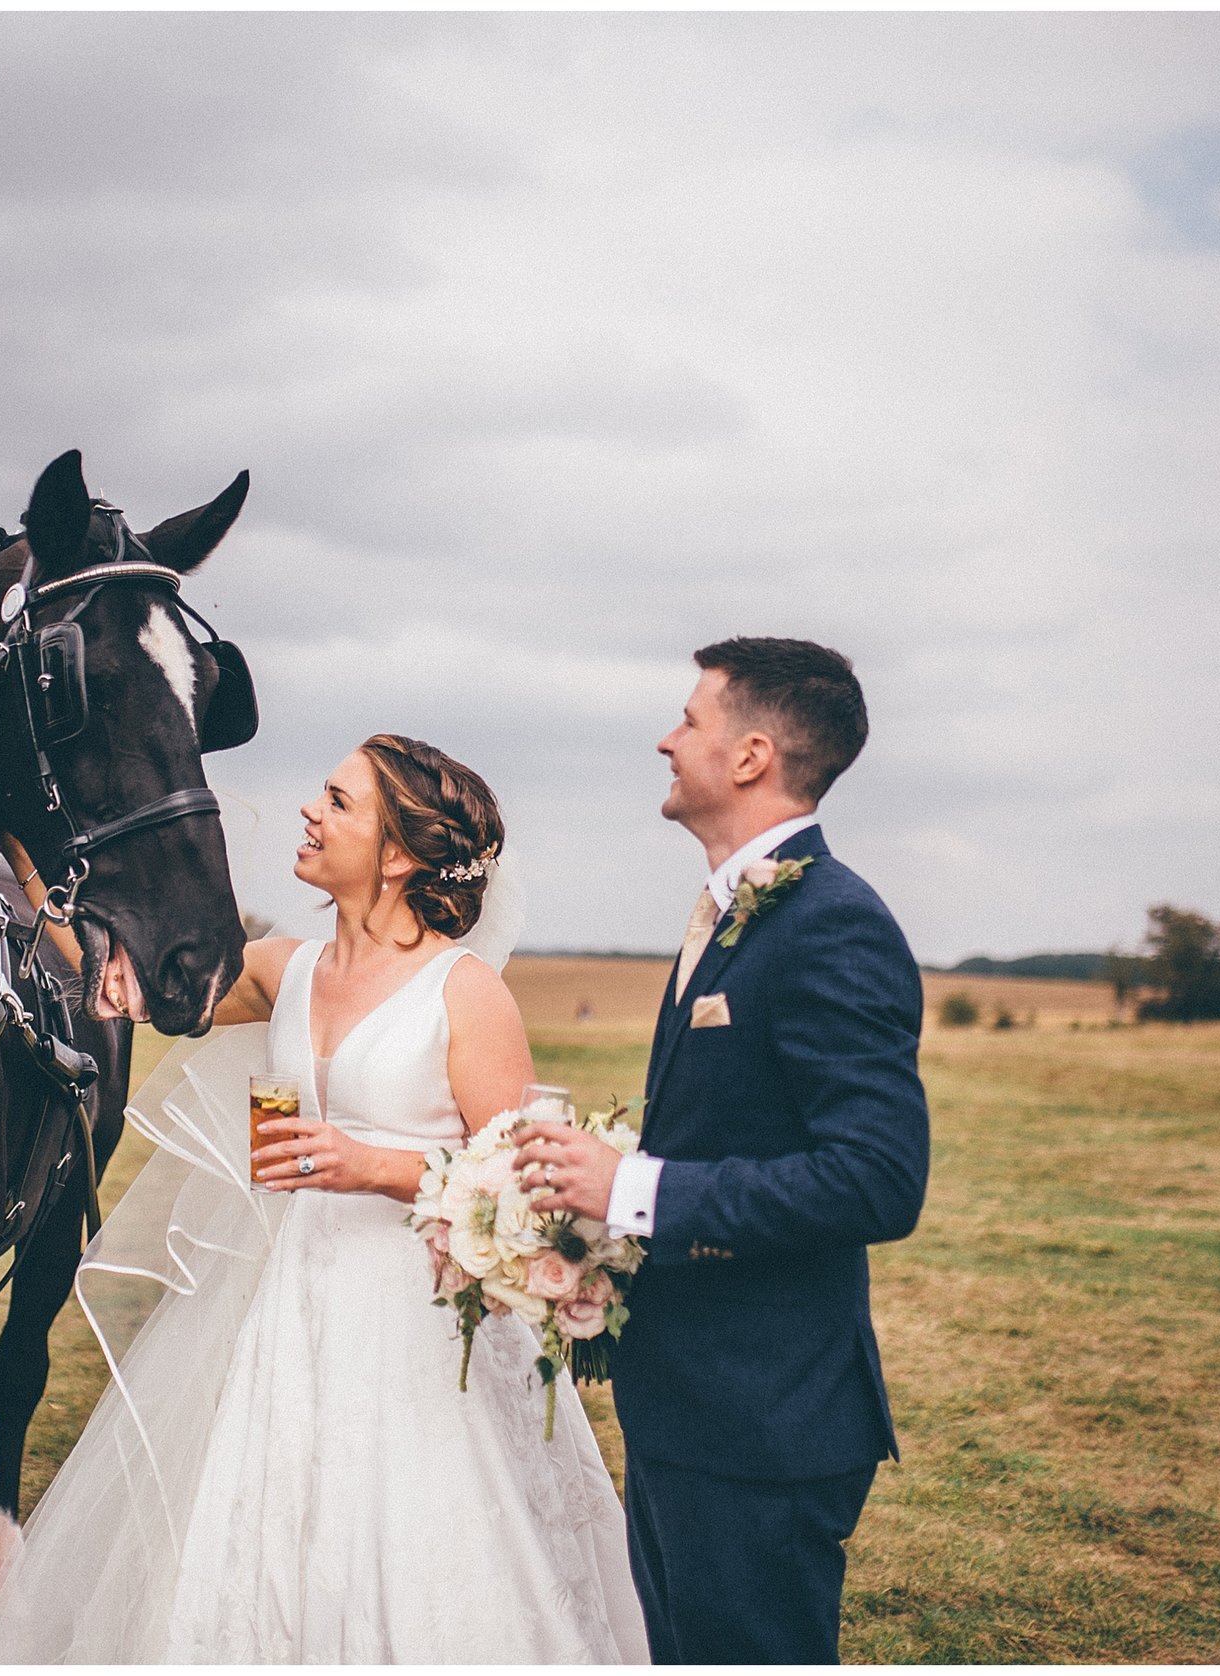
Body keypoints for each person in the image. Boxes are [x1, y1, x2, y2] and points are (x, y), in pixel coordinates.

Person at [0, 734, 647, 1664]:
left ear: (398, 854)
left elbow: (521, 1186)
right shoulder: (285, 967)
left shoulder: (467, 993)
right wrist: (28, 874)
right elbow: (128, 982)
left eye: (338, 800)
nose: (310, 812)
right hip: (283, 1303)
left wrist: (374, 1166)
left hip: (421, 1324)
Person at [513, 637, 930, 1663]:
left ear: (748, 756)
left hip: (765, 1421)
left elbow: (878, 1176)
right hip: (693, 1403)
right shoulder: (738, 910)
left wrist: (637, 1186)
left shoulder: (831, 921)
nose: (666, 736)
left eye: (689, 719)